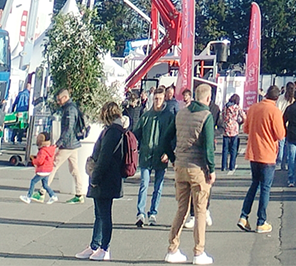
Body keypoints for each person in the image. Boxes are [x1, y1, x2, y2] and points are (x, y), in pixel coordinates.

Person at [164, 84, 217, 265]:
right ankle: (198, 252)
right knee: (200, 210)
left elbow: (165, 139)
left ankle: (172, 248)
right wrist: (212, 169)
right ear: (208, 98)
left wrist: (173, 158)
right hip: (198, 168)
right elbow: (208, 148)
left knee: (182, 208)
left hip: (180, 166)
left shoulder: (180, 113)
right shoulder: (206, 116)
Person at [77, 101, 129, 261]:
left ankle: (104, 247)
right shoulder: (117, 130)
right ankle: (95, 245)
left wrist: (95, 178)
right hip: (110, 177)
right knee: (100, 214)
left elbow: (104, 157)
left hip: (106, 178)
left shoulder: (113, 131)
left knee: (104, 214)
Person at [239, 85, 285, 234]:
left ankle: (244, 216)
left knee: (254, 184)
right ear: (277, 98)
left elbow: (245, 129)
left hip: (254, 152)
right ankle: (261, 221)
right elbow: (280, 134)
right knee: (265, 188)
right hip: (268, 153)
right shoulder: (275, 111)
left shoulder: (253, 108)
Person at [134, 86, 175, 227]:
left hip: (161, 156)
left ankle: (153, 213)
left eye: (160, 99)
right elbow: (136, 134)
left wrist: (168, 153)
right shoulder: (146, 116)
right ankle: (140, 213)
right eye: (156, 98)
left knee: (158, 186)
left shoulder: (169, 117)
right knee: (144, 184)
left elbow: (173, 137)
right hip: (146, 155)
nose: (157, 101)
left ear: (164, 99)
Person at [49, 89, 87, 204]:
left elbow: (68, 129)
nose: (58, 102)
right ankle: (79, 193)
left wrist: (59, 143)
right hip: (73, 143)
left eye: (59, 99)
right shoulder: (71, 107)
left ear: (65, 97)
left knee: (53, 165)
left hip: (68, 144)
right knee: (74, 169)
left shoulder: (69, 110)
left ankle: (42, 191)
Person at [21, 132, 58, 204]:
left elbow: (40, 161)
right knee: (45, 185)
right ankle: (53, 196)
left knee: (33, 182)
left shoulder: (42, 151)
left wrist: (33, 160)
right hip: (48, 169)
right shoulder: (50, 149)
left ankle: (28, 197)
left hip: (42, 170)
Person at [219, 95, 243, 173]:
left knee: (225, 149)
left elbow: (222, 116)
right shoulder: (237, 107)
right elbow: (243, 116)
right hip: (234, 129)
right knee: (233, 149)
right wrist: (240, 122)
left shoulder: (225, 107)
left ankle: (223, 166)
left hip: (226, 129)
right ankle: (232, 166)